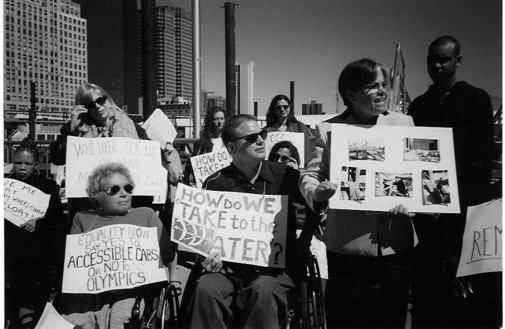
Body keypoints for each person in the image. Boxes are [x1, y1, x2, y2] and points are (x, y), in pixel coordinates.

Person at [299, 58, 418, 328]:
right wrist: (318, 193)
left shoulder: (405, 123)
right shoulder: (327, 129)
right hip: (347, 249)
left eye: (384, 85)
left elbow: (419, 177)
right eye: (373, 86)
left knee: (392, 320)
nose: (382, 91)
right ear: (351, 95)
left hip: (395, 246)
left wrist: (413, 202)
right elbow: (309, 176)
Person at [407, 36, 499, 329]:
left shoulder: (476, 99)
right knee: (429, 294)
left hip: (465, 212)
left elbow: (482, 163)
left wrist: (462, 206)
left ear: (458, 61)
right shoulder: (419, 105)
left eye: (444, 59)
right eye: (431, 58)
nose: (436, 65)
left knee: (467, 298)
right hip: (428, 215)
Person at [184, 114, 302, 329]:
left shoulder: (286, 176)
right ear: (232, 148)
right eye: (251, 137)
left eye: (262, 134)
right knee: (205, 288)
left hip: (272, 271)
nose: (260, 140)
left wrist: (319, 197)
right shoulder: (215, 183)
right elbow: (205, 237)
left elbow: (314, 205)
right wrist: (206, 257)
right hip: (229, 271)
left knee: (263, 291)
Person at [58, 163, 175, 329]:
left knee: (120, 315)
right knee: (75, 315)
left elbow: (168, 255)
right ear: (97, 195)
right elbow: (74, 265)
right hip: (92, 286)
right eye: (114, 189)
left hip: (134, 286)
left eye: (128, 188)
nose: (124, 194)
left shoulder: (145, 215)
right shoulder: (82, 219)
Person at [4, 137, 67, 329]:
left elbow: (58, 219)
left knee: (27, 295)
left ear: (36, 165)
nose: (22, 167)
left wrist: (38, 222)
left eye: (27, 163)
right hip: (8, 247)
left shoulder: (48, 187)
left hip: (34, 251)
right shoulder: (5, 185)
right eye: (18, 163)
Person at [182, 106, 226, 185]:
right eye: (216, 119)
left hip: (225, 183)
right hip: (207, 184)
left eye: (222, 118)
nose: (220, 122)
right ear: (210, 121)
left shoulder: (230, 142)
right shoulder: (201, 144)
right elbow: (191, 165)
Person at [265, 94, 312, 167]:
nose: (282, 109)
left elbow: (307, 153)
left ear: (290, 107)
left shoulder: (300, 127)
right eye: (278, 107)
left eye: (285, 106)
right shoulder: (267, 130)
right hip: (273, 170)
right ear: (273, 110)